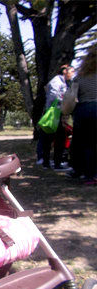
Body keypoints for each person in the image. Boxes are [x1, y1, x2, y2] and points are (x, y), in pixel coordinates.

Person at [66, 45, 97, 185]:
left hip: (83, 111)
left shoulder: (80, 77)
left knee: (87, 144)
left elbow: (73, 96)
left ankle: (88, 174)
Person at [42, 65, 75, 171]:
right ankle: (55, 163)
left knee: (52, 139)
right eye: (72, 71)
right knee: (56, 138)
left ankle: (48, 163)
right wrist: (65, 102)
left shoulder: (63, 82)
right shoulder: (57, 81)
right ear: (65, 71)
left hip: (56, 113)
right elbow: (53, 97)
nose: (73, 74)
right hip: (54, 114)